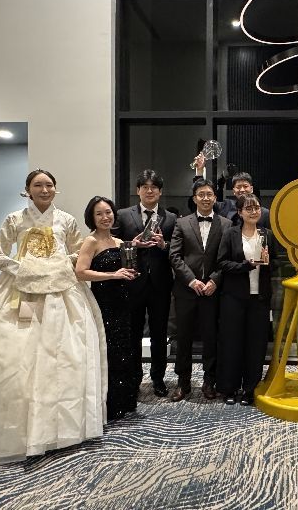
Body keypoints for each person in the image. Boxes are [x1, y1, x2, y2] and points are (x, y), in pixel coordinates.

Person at [0, 170, 107, 468]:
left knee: (66, 355)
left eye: (49, 185)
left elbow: (77, 252)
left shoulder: (66, 220)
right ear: (28, 190)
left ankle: (63, 430)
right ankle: (19, 431)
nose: (44, 190)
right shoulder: (15, 219)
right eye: (38, 185)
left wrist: (56, 265)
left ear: (56, 189)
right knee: (15, 357)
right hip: (20, 289)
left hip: (62, 290)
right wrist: (26, 269)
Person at [113, 170, 176, 398]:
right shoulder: (122, 215)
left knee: (160, 334)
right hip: (132, 283)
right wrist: (132, 244)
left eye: (154, 187)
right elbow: (112, 244)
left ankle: (158, 379)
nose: (150, 191)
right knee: (133, 334)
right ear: (137, 190)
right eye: (145, 187)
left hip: (160, 284)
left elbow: (177, 251)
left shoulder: (171, 218)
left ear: (160, 191)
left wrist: (163, 245)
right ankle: (134, 379)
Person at [76, 196, 139, 420]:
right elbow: (80, 272)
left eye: (108, 212)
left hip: (123, 300)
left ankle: (124, 401)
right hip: (103, 302)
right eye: (99, 214)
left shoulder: (120, 242)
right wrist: (112, 275)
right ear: (92, 218)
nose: (105, 217)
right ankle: (107, 405)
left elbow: (125, 270)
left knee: (123, 350)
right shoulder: (90, 241)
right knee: (107, 350)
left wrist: (129, 274)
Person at [169, 179, 232, 402]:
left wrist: (215, 279)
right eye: (201, 194)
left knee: (211, 337)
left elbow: (228, 257)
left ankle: (209, 381)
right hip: (187, 290)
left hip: (213, 291)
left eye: (209, 194)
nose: (206, 198)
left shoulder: (226, 224)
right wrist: (191, 280)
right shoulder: (182, 223)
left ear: (215, 197)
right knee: (183, 337)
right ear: (194, 198)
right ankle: (183, 382)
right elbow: (174, 256)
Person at [216, 194, 278, 405]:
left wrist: (268, 263)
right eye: (249, 208)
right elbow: (222, 263)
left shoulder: (267, 234)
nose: (254, 212)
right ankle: (230, 388)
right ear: (240, 212)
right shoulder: (231, 233)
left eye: (257, 208)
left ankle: (251, 388)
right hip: (234, 297)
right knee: (232, 343)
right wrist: (246, 265)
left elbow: (276, 263)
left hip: (259, 298)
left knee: (256, 344)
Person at [193, 151, 270, 228]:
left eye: (245, 186)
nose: (242, 190)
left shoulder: (264, 213)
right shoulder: (226, 206)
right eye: (238, 187)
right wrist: (199, 171)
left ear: (251, 189)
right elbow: (201, 201)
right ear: (233, 191)